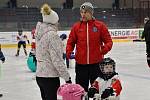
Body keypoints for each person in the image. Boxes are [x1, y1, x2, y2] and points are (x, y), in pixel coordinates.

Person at [66, 2, 113, 92]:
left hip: (96, 65)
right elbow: (70, 42)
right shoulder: (76, 27)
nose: (83, 14)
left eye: (85, 12)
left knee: (97, 91)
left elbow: (109, 41)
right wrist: (68, 51)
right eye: (82, 12)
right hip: (81, 65)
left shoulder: (100, 26)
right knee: (81, 91)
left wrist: (104, 49)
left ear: (91, 13)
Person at [35, 3, 72, 100]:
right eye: (57, 21)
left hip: (40, 76)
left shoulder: (39, 34)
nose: (58, 24)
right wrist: (67, 78)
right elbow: (57, 60)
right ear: (53, 22)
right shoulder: (52, 35)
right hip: (50, 78)